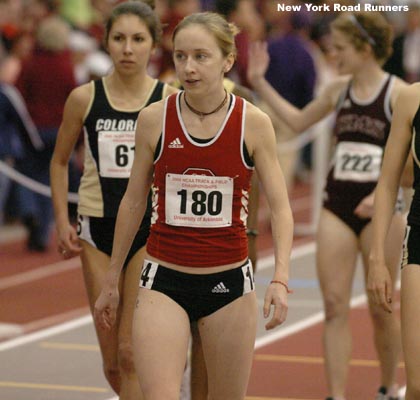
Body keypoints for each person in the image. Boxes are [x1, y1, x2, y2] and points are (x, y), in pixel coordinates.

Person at [94, 11, 293, 400]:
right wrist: (112, 278)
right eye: (181, 56)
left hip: (229, 284)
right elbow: (134, 201)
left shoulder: (253, 123)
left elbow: (282, 208)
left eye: (201, 56)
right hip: (164, 279)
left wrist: (281, 279)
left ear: (228, 61)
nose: (188, 67)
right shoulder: (154, 120)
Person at [247, 11, 407, 400]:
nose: (332, 56)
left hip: (382, 208)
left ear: (364, 47)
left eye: (338, 49)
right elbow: (299, 121)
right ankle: (335, 394)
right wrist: (257, 82)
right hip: (337, 203)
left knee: (381, 306)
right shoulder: (339, 90)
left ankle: (388, 387)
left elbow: (409, 158)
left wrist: (385, 192)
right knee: (334, 305)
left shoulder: (399, 94)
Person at [49, 2, 176, 399]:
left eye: (138, 39)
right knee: (110, 358)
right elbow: (57, 162)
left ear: (153, 45)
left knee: (129, 351)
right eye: (119, 38)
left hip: (148, 230)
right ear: (105, 42)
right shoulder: (84, 98)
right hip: (96, 226)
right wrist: (61, 219)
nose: (127, 48)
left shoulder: (168, 100)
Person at [368, 83, 420, 400]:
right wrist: (377, 259)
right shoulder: (412, 98)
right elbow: (387, 183)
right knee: (417, 385)